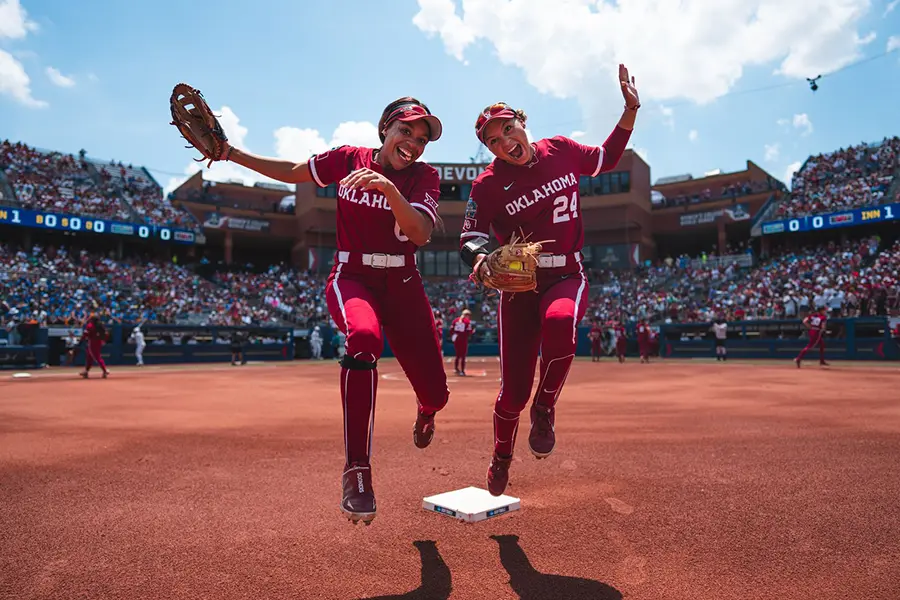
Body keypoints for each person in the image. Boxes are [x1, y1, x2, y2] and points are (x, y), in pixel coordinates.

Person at [216, 96, 450, 523]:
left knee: (437, 392)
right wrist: (230, 153)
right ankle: (357, 470)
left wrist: (390, 190)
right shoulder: (347, 159)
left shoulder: (424, 176)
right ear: (385, 129)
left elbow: (417, 234)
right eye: (406, 132)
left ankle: (426, 409)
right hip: (353, 276)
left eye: (421, 138)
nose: (414, 144)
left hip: (403, 282)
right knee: (363, 341)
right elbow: (291, 172)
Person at [460, 64, 639, 496]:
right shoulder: (486, 185)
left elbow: (606, 158)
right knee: (511, 394)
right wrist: (482, 260)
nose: (505, 143)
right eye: (494, 141)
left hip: (566, 272)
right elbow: (469, 236)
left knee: (561, 325)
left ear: (522, 123)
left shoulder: (560, 149)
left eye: (508, 130)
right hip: (520, 288)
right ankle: (501, 455)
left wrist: (629, 111)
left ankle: (546, 407)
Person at [79, 315, 109, 379]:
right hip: (98, 342)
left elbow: (85, 334)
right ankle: (86, 371)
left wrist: (81, 340)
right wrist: (103, 340)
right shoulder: (101, 325)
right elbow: (106, 334)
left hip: (92, 342)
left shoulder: (90, 325)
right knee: (89, 357)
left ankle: (105, 370)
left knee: (97, 357)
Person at [451, 308, 475, 375]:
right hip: (463, 339)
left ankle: (456, 368)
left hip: (456, 339)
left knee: (457, 355)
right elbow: (469, 331)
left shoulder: (455, 320)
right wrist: (472, 332)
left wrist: (454, 335)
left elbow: (451, 330)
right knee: (463, 356)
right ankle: (462, 370)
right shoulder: (467, 321)